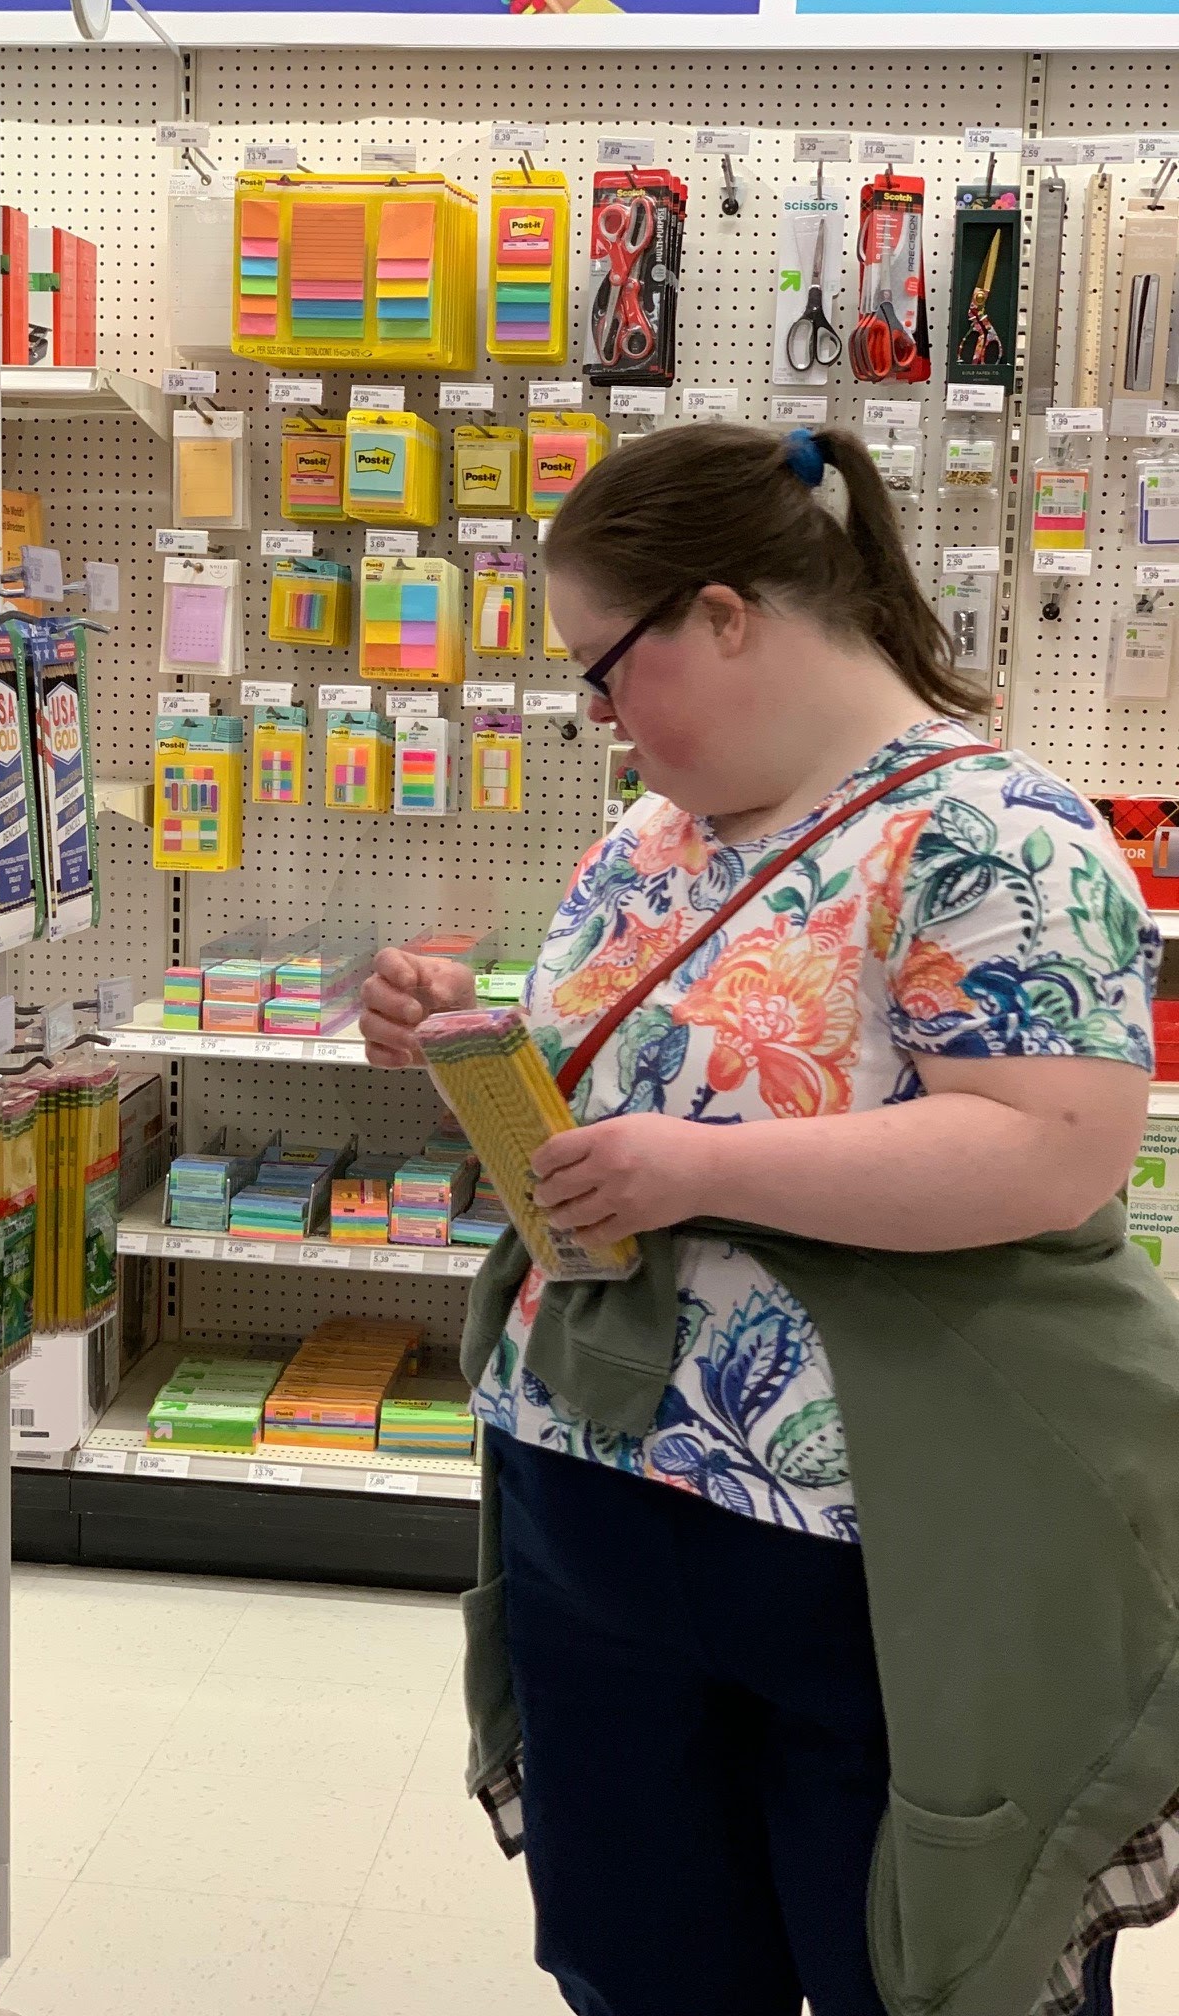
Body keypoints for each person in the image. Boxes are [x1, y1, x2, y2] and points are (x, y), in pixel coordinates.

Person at [359, 423, 1179, 2016]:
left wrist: (698, 1171)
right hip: (589, 1495)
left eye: (607, 672)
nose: (603, 719)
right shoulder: (649, 840)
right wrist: (464, 1037)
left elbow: (1055, 1148)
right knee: (639, 1965)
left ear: (724, 616)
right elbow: (615, 1105)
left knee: (910, 1966)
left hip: (873, 1548)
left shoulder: (996, 834)